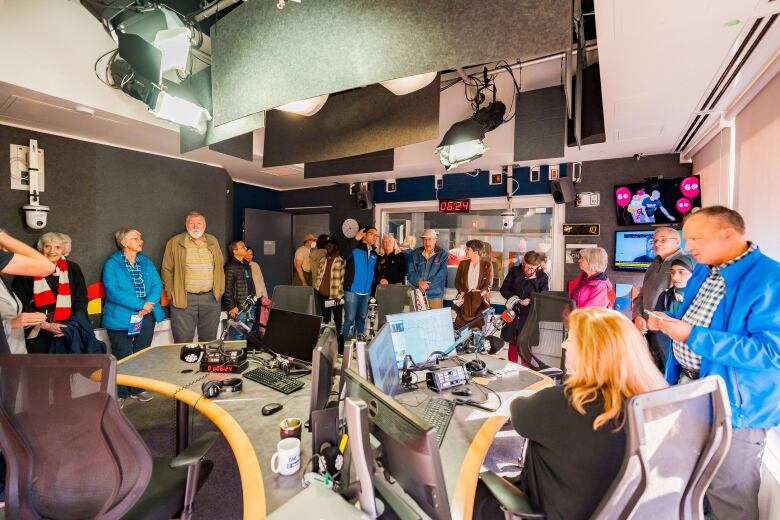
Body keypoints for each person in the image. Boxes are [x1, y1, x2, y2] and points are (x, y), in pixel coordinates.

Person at [647, 206, 780, 520]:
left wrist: (691, 335)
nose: (688, 246)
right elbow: (695, 323)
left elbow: (770, 352)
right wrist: (670, 322)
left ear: (728, 235)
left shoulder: (769, 279)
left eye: (696, 238)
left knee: (729, 497)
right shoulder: (705, 272)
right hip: (690, 391)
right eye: (686, 237)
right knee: (691, 484)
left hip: (736, 410)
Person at [476, 307, 667, 520]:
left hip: (546, 509)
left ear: (591, 352)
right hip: (605, 509)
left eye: (571, 339)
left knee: (468, 490)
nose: (563, 344)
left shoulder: (564, 403)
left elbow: (517, 413)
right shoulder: (653, 407)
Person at [0, 229, 54, 507]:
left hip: (14, 357)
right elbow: (46, 265)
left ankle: (10, 483)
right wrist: (3, 237)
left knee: (14, 424)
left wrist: (21, 321)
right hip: (4, 362)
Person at [102, 229, 164, 405]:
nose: (141, 241)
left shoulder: (146, 262)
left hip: (147, 315)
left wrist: (149, 304)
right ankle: (120, 392)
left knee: (141, 354)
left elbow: (156, 285)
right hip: (120, 318)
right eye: (136, 238)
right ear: (124, 242)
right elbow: (113, 291)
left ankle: (138, 389)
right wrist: (140, 305)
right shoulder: (112, 264)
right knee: (122, 355)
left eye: (141, 238)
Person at [12, 232, 88, 354]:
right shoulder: (28, 268)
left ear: (64, 249)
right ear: (41, 247)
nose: (52, 251)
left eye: (58, 247)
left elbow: (81, 298)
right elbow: (20, 299)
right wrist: (45, 325)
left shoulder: (73, 268)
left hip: (67, 326)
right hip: (38, 327)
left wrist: (74, 324)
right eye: (48, 246)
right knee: (40, 366)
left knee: (67, 367)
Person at [161, 211, 225, 343]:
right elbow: (166, 270)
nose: (196, 226)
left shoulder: (213, 240)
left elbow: (219, 266)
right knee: (182, 340)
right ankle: (183, 365)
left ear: (205, 225)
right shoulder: (174, 242)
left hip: (211, 298)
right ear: (186, 225)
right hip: (184, 299)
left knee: (209, 340)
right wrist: (172, 294)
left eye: (199, 223)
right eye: (192, 223)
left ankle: (204, 364)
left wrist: (219, 290)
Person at [632, 227, 684, 364]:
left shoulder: (684, 264)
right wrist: (637, 316)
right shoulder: (654, 264)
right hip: (646, 330)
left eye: (663, 240)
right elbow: (641, 295)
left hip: (668, 333)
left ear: (677, 242)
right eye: (655, 240)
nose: (657, 244)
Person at [0, 228, 53, 354]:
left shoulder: (2, 280)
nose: (7, 253)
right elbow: (47, 266)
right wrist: (11, 324)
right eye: (2, 250)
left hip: (17, 352)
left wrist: (24, 320)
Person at [499, 251, 549, 363]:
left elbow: (544, 296)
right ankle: (512, 368)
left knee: (527, 345)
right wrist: (513, 296)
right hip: (514, 313)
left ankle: (526, 371)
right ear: (523, 263)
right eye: (526, 267)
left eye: (532, 269)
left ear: (538, 267)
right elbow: (504, 290)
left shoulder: (542, 277)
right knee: (513, 342)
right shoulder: (515, 272)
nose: (528, 271)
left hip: (530, 315)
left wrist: (531, 300)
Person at [651, 254, 696, 369]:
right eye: (672, 272)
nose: (675, 277)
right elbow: (656, 328)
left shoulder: (701, 297)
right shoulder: (666, 296)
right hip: (667, 355)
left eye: (681, 272)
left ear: (695, 273)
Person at [342, 227, 378, 339]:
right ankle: (344, 347)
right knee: (349, 319)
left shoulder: (374, 253)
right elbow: (344, 255)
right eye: (372, 234)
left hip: (366, 292)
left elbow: (373, 272)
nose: (375, 237)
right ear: (364, 234)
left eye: (376, 235)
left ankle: (358, 345)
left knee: (362, 318)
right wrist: (355, 239)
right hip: (352, 290)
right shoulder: (355, 248)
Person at [313, 237, 346, 349]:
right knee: (325, 319)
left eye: (330, 245)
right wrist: (317, 287)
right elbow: (319, 274)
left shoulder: (341, 260)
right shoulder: (323, 259)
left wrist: (341, 295)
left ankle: (339, 343)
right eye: (327, 245)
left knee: (337, 318)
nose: (328, 246)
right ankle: (325, 342)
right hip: (322, 294)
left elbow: (343, 278)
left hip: (335, 295)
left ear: (336, 246)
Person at [453, 240, 493, 328]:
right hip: (465, 302)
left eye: (468, 249)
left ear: (476, 251)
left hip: (479, 303)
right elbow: (457, 282)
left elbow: (488, 285)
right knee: (461, 330)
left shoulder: (487, 265)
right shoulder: (463, 264)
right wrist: (461, 291)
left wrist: (478, 294)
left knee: (477, 332)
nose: (466, 251)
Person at [223, 240, 256, 339]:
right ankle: (236, 354)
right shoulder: (230, 266)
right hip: (239, 308)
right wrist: (231, 306)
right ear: (235, 251)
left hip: (249, 305)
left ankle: (243, 354)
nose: (246, 248)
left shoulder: (245, 264)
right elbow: (227, 288)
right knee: (237, 334)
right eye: (243, 247)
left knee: (247, 333)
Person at [407, 229, 448, 309]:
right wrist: (419, 282)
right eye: (425, 239)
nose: (427, 242)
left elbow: (442, 274)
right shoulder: (415, 253)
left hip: (435, 295)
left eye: (430, 239)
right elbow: (411, 272)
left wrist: (426, 285)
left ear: (435, 240)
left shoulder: (442, 254)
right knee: (417, 320)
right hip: (418, 293)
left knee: (434, 320)